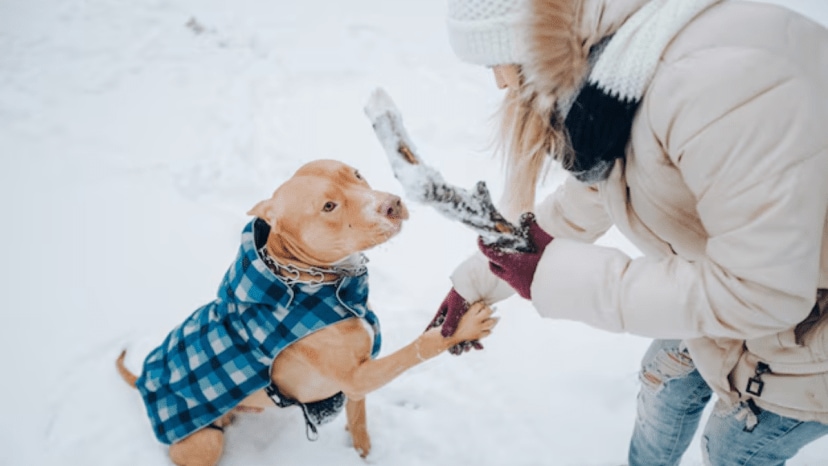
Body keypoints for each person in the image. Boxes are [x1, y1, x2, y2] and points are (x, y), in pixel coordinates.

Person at [426, 0, 828, 464]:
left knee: (730, 447)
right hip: (740, 299)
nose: (500, 82)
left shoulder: (713, 86)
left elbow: (763, 292)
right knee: (663, 378)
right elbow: (585, 204)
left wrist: (553, 278)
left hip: (804, 340)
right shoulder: (624, 76)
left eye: (498, 61)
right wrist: (477, 280)